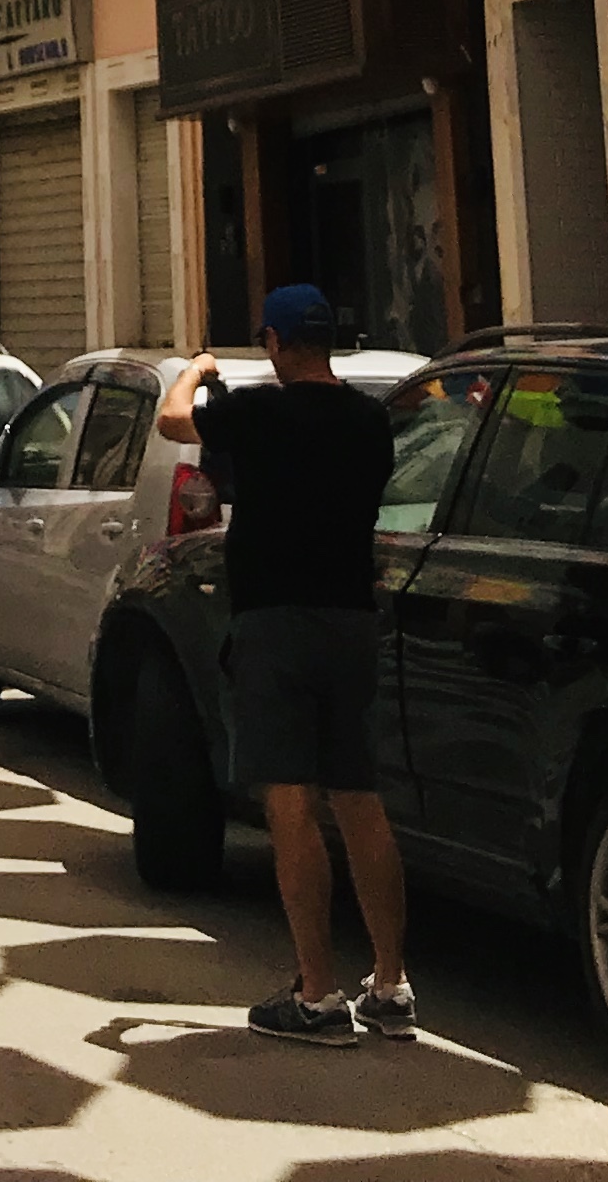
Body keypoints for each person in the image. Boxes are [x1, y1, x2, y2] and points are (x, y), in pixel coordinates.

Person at [154, 283, 411, 1044]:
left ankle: (318, 993)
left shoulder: (259, 412)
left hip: (276, 624)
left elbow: (172, 422)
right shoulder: (371, 422)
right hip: (351, 623)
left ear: (273, 342)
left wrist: (198, 370)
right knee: (359, 798)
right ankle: (392, 984)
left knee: (291, 800)